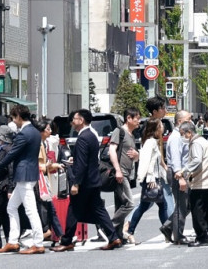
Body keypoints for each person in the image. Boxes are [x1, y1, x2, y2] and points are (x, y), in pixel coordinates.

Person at [52, 109, 119, 251]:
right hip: (93, 180)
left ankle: (66, 241)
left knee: (74, 209)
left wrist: (76, 183)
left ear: (81, 120)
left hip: (85, 182)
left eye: (74, 119)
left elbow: (82, 164)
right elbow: (88, 159)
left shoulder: (83, 138)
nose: (72, 122)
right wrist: (75, 160)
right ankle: (113, 237)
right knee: (99, 210)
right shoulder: (92, 135)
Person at [0, 104, 47, 254]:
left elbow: (12, 153)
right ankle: (12, 241)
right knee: (11, 207)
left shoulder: (24, 134)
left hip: (24, 175)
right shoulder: (35, 132)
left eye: (13, 118)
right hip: (29, 173)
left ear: (18, 116)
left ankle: (38, 243)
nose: (13, 121)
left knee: (31, 210)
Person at [123, 118, 171, 244]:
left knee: (155, 206)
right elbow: (147, 161)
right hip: (151, 179)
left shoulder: (153, 142)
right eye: (161, 125)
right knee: (150, 206)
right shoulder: (150, 142)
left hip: (154, 178)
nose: (163, 127)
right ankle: (130, 231)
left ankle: (166, 233)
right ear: (155, 128)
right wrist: (150, 177)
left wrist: (166, 170)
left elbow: (158, 161)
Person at [180, 119, 208, 246]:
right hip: (207, 180)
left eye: (183, 134)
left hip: (200, 181)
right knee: (206, 209)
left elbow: (196, 161)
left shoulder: (196, 143)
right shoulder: (202, 141)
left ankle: (202, 237)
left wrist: (183, 171)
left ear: (189, 133)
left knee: (197, 211)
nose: (182, 137)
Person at [105, 108, 140, 239]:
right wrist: (118, 170)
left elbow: (134, 156)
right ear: (129, 118)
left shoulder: (131, 135)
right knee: (130, 203)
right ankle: (108, 227)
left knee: (121, 204)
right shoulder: (119, 131)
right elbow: (112, 150)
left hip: (127, 173)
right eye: (136, 118)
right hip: (120, 173)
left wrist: (137, 155)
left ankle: (117, 236)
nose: (139, 121)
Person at [166, 109, 193, 244]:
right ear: (180, 122)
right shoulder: (176, 137)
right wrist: (180, 176)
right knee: (181, 205)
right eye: (188, 120)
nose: (191, 122)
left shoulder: (180, 135)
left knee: (186, 204)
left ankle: (169, 227)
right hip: (178, 173)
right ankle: (178, 236)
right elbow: (176, 158)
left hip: (181, 172)